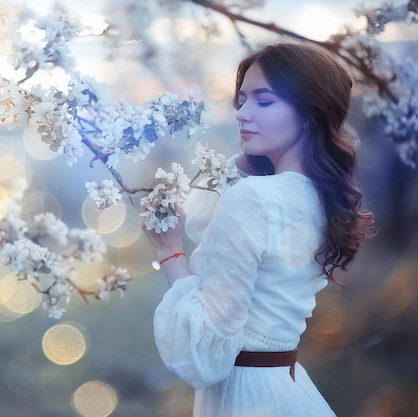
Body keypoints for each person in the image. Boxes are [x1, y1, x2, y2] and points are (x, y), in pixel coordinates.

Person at [142, 41, 374, 417]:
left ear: (307, 114)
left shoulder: (254, 197)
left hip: (247, 398)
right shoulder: (313, 195)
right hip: (285, 385)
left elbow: (204, 354)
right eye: (242, 100)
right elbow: (205, 221)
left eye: (264, 102)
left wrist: (168, 250)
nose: (243, 113)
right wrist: (245, 162)